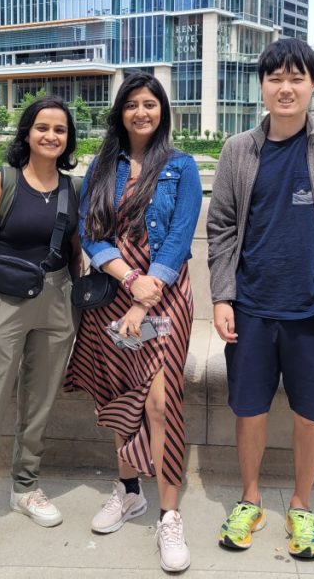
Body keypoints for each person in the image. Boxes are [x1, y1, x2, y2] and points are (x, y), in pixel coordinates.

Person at [206, 38, 314, 560]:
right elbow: (223, 227)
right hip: (251, 307)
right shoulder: (238, 151)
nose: (286, 87)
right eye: (275, 78)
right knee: (249, 409)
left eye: (297, 78)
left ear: (313, 85)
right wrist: (222, 295)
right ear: (262, 86)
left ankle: (301, 505)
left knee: (310, 413)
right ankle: (249, 498)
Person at [64, 72, 203, 573]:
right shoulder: (102, 167)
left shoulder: (181, 167)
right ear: (120, 112)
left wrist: (145, 297)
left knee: (161, 402)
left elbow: (181, 237)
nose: (142, 112)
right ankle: (128, 493)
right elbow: (88, 231)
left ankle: (169, 513)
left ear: (162, 111)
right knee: (121, 394)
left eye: (150, 104)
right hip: (113, 296)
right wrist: (128, 283)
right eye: (133, 104)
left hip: (165, 299)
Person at [0, 97, 82, 557]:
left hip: (55, 304)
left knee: (39, 402)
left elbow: (75, 249)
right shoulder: (3, 182)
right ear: (27, 133)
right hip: (5, 302)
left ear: (68, 140)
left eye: (60, 130)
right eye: (43, 127)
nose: (52, 136)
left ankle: (25, 486)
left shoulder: (72, 189)